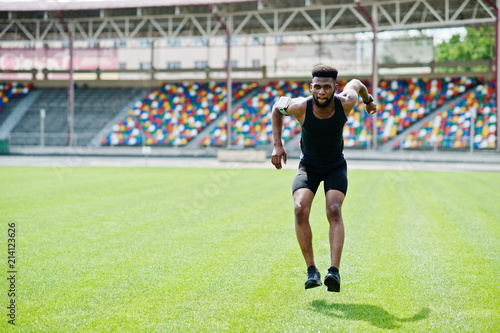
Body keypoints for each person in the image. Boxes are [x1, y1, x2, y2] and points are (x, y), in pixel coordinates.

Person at [271, 65, 377, 292]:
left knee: (334, 209)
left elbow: (357, 84)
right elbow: (276, 107)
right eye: (316, 87)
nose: (321, 92)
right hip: (308, 166)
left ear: (335, 88)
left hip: (335, 166)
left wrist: (368, 102)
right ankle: (312, 271)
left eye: (326, 87)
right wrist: (277, 145)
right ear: (311, 87)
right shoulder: (300, 106)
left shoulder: (346, 101)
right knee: (300, 209)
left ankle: (334, 272)